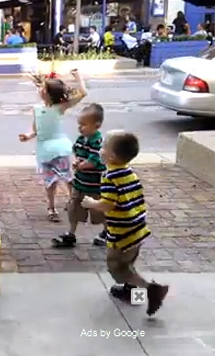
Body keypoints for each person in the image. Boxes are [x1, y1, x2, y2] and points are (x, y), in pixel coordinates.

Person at [81, 131, 169, 316]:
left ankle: (152, 290)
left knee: (116, 266)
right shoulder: (129, 173)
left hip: (122, 233)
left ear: (111, 156)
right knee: (129, 263)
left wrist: (90, 203)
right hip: (137, 229)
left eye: (103, 146)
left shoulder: (110, 178)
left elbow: (107, 205)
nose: (100, 149)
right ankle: (133, 294)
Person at [19, 70, 88, 221]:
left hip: (59, 150)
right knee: (50, 181)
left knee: (68, 178)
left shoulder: (60, 108)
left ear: (50, 95)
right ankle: (52, 208)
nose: (40, 90)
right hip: (44, 152)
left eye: (44, 89)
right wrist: (28, 136)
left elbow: (83, 92)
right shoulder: (37, 110)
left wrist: (77, 77)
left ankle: (73, 201)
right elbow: (36, 130)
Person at [52, 103, 107, 248]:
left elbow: (95, 160)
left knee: (99, 211)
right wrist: (77, 161)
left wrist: (83, 165)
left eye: (84, 125)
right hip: (80, 183)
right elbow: (77, 151)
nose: (80, 128)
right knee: (74, 207)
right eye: (79, 124)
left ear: (96, 125)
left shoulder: (98, 141)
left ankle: (107, 231)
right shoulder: (81, 139)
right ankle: (71, 233)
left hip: (94, 186)